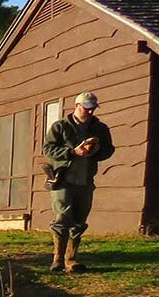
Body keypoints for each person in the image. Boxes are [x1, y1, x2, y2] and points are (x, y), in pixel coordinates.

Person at [42, 91, 115, 272]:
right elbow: (48, 149)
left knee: (80, 219)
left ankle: (71, 259)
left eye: (93, 109)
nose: (90, 112)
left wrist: (97, 150)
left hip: (85, 180)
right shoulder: (60, 127)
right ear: (76, 106)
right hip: (62, 179)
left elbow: (109, 150)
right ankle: (57, 259)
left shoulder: (100, 129)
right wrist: (72, 152)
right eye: (87, 108)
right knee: (62, 217)